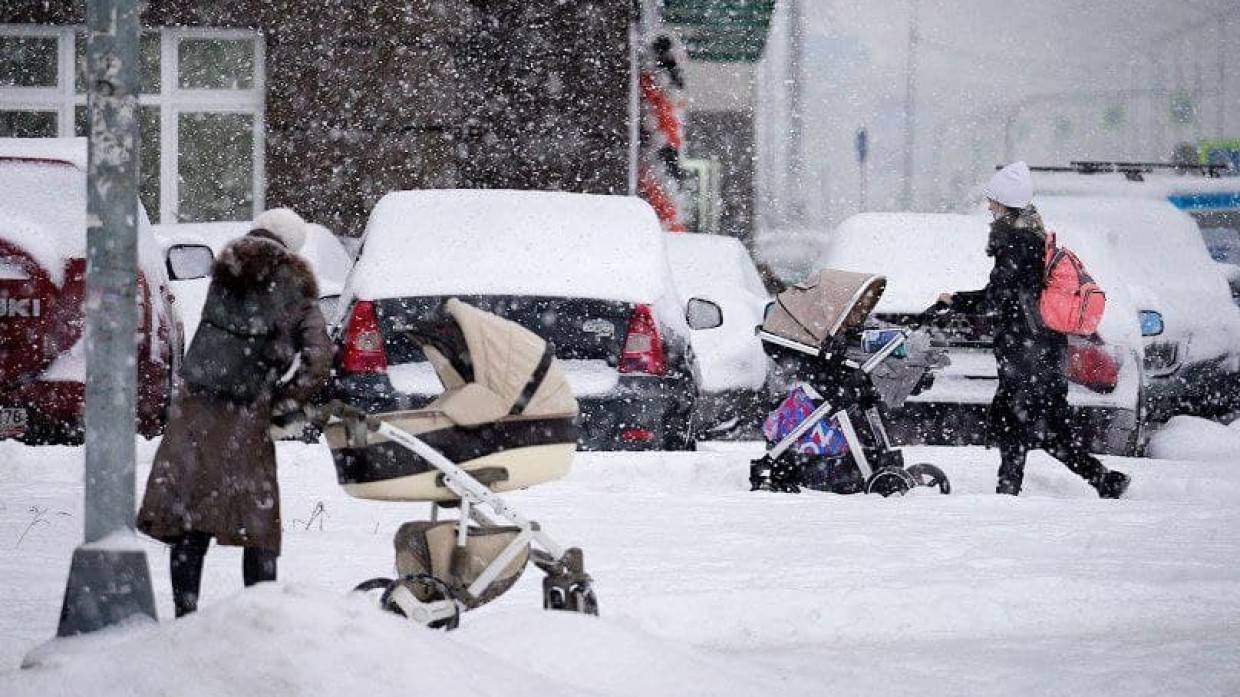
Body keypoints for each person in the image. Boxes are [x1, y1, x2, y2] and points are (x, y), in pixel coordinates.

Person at [137, 208, 333, 616]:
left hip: (195, 412)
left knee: (192, 520)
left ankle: (185, 615)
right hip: (247, 417)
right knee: (256, 527)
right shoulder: (294, 284)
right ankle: (257, 620)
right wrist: (284, 402)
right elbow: (318, 357)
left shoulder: (226, 271)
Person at [940, 162, 1130, 499]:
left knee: (1019, 424)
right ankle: (1103, 480)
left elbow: (998, 298)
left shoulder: (1015, 242)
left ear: (1004, 204)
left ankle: (1008, 492)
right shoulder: (1033, 236)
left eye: (993, 201)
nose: (989, 207)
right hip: (1041, 347)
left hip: (1026, 350)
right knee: (1048, 430)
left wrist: (957, 300)